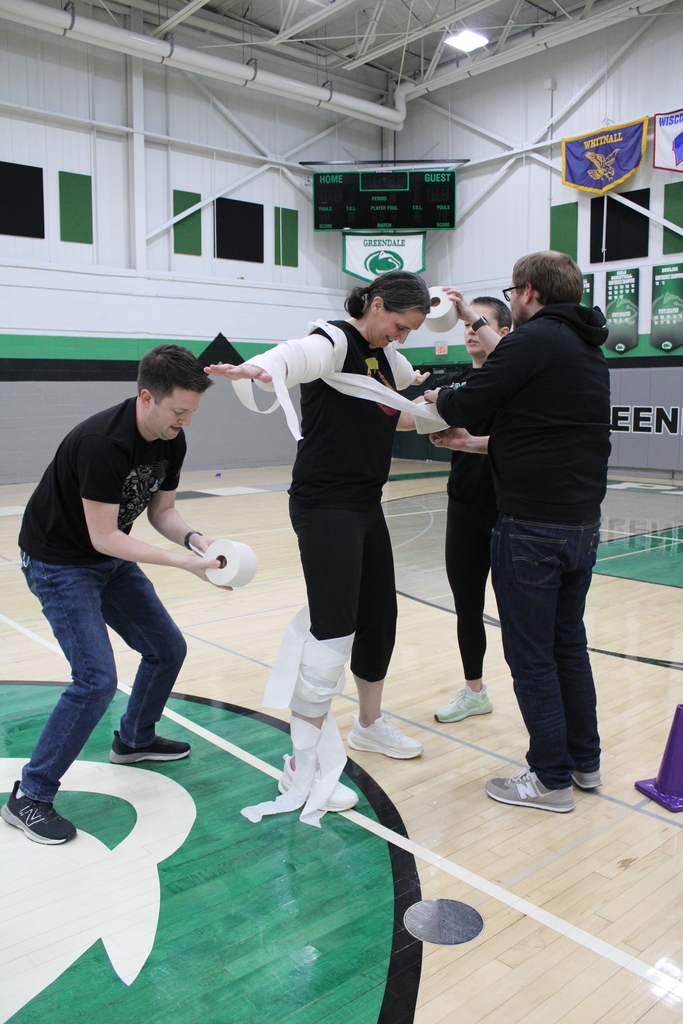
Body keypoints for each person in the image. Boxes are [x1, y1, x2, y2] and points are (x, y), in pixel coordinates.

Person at [206, 271, 432, 827]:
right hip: (324, 504)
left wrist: (440, 414)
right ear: (375, 305)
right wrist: (260, 369)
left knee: (380, 616)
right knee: (332, 634)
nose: (399, 338)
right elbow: (294, 356)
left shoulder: (387, 358)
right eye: (398, 325)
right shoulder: (335, 341)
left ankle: (369, 725)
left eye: (410, 331)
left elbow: (399, 404)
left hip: (365, 502)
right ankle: (300, 764)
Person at [1, 345, 225, 845]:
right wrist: (184, 565)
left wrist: (196, 540)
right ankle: (29, 796)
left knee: (167, 648)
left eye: (192, 412)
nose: (185, 422)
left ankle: (134, 739)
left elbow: (162, 512)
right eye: (178, 411)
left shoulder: (171, 440)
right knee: (96, 679)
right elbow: (105, 536)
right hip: (59, 563)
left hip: (107, 561)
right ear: (147, 397)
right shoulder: (104, 442)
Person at [425, 252, 611, 813]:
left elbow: (468, 398)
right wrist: (468, 315)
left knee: (531, 656)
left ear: (528, 294)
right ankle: (584, 762)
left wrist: (436, 401)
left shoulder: (534, 342)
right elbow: (542, 435)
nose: (507, 302)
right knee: (568, 646)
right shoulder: (586, 347)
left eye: (510, 293)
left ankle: (549, 778)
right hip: (581, 524)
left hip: (531, 528)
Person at [429, 296, 511, 724]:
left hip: (508, 512)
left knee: (516, 611)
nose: (468, 331)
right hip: (464, 509)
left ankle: (532, 691)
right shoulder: (458, 384)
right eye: (464, 325)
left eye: (478, 324)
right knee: (467, 606)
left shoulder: (516, 384)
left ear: (502, 333)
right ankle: (474, 691)